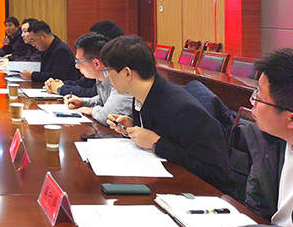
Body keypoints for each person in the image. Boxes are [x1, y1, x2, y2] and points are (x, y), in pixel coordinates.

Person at [100, 35, 231, 193]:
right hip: (166, 184)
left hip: (198, 194)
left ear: (127, 73)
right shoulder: (143, 95)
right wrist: (132, 126)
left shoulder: (181, 109)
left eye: (107, 71)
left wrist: (157, 143)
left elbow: (217, 174)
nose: (107, 78)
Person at [225, 49, 293, 227]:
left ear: (291, 120)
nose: (252, 101)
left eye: (259, 97)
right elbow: (255, 209)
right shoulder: (268, 142)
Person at [64, 33, 132, 126]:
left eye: (79, 62)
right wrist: (82, 102)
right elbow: (102, 99)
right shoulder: (101, 78)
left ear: (96, 64)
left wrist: (91, 110)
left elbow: (107, 116)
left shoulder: (119, 79)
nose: (77, 66)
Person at [45, 20, 125, 97]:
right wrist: (59, 83)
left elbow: (92, 93)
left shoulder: (115, 71)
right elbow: (83, 83)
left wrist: (61, 88)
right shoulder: (97, 70)